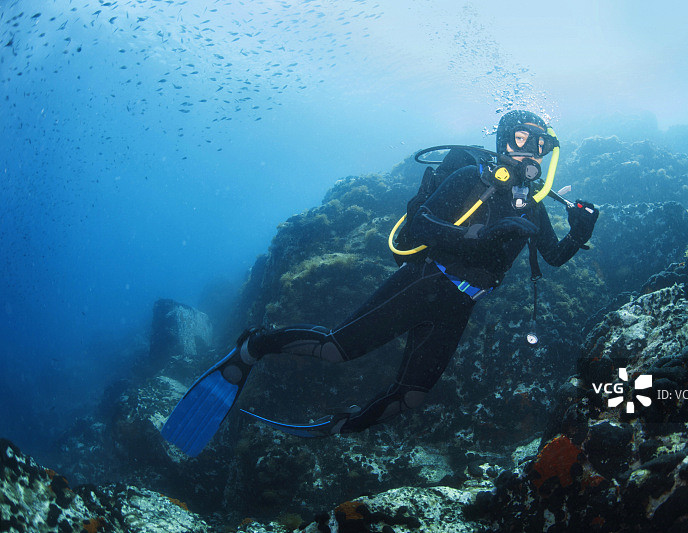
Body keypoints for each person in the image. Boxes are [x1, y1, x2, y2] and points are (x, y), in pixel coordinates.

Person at [161, 110, 599, 456]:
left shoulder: (535, 208)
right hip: (426, 281)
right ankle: (252, 348)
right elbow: (420, 223)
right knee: (334, 350)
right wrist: (480, 234)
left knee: (410, 399)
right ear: (503, 143)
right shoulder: (471, 179)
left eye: (541, 146)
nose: (531, 154)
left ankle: (341, 425)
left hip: (460, 306)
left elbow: (554, 258)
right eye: (521, 141)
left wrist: (580, 231)